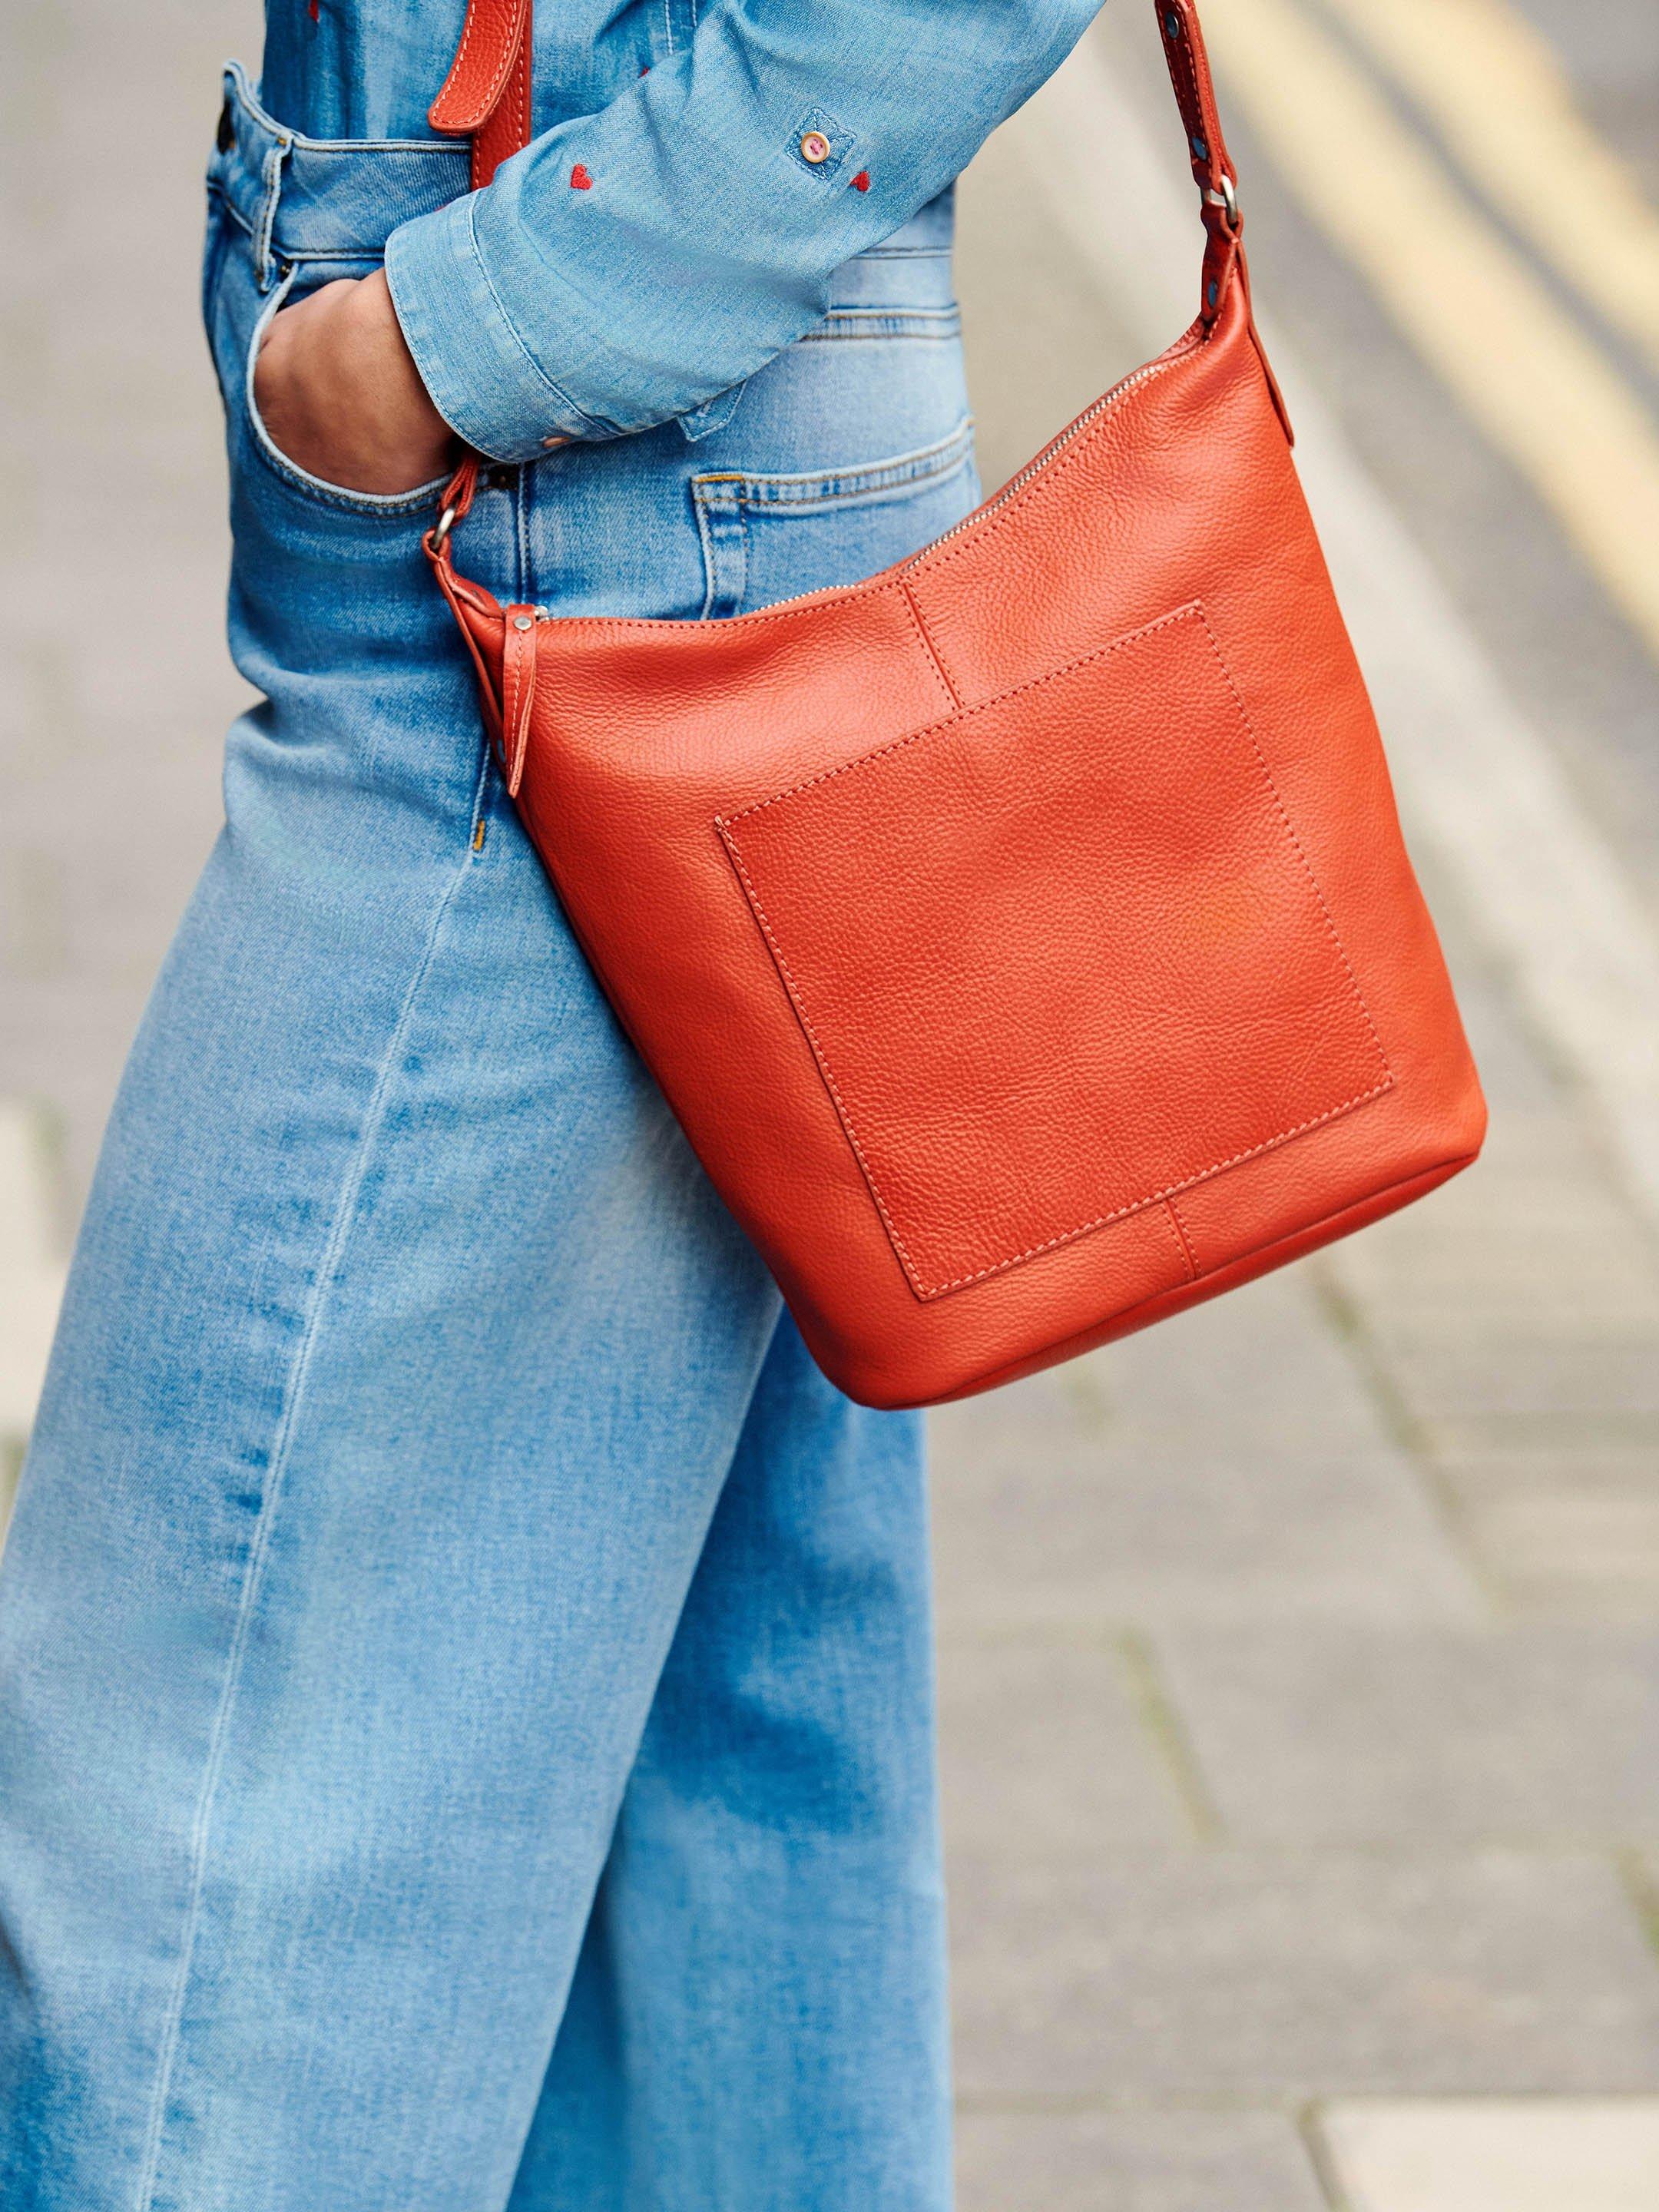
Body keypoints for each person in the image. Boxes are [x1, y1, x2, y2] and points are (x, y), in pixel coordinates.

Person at [0, 2, 1102, 2204]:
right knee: (692, 1812)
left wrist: (457, 335)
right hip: (641, 431)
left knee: (203, 1857)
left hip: (586, 480)